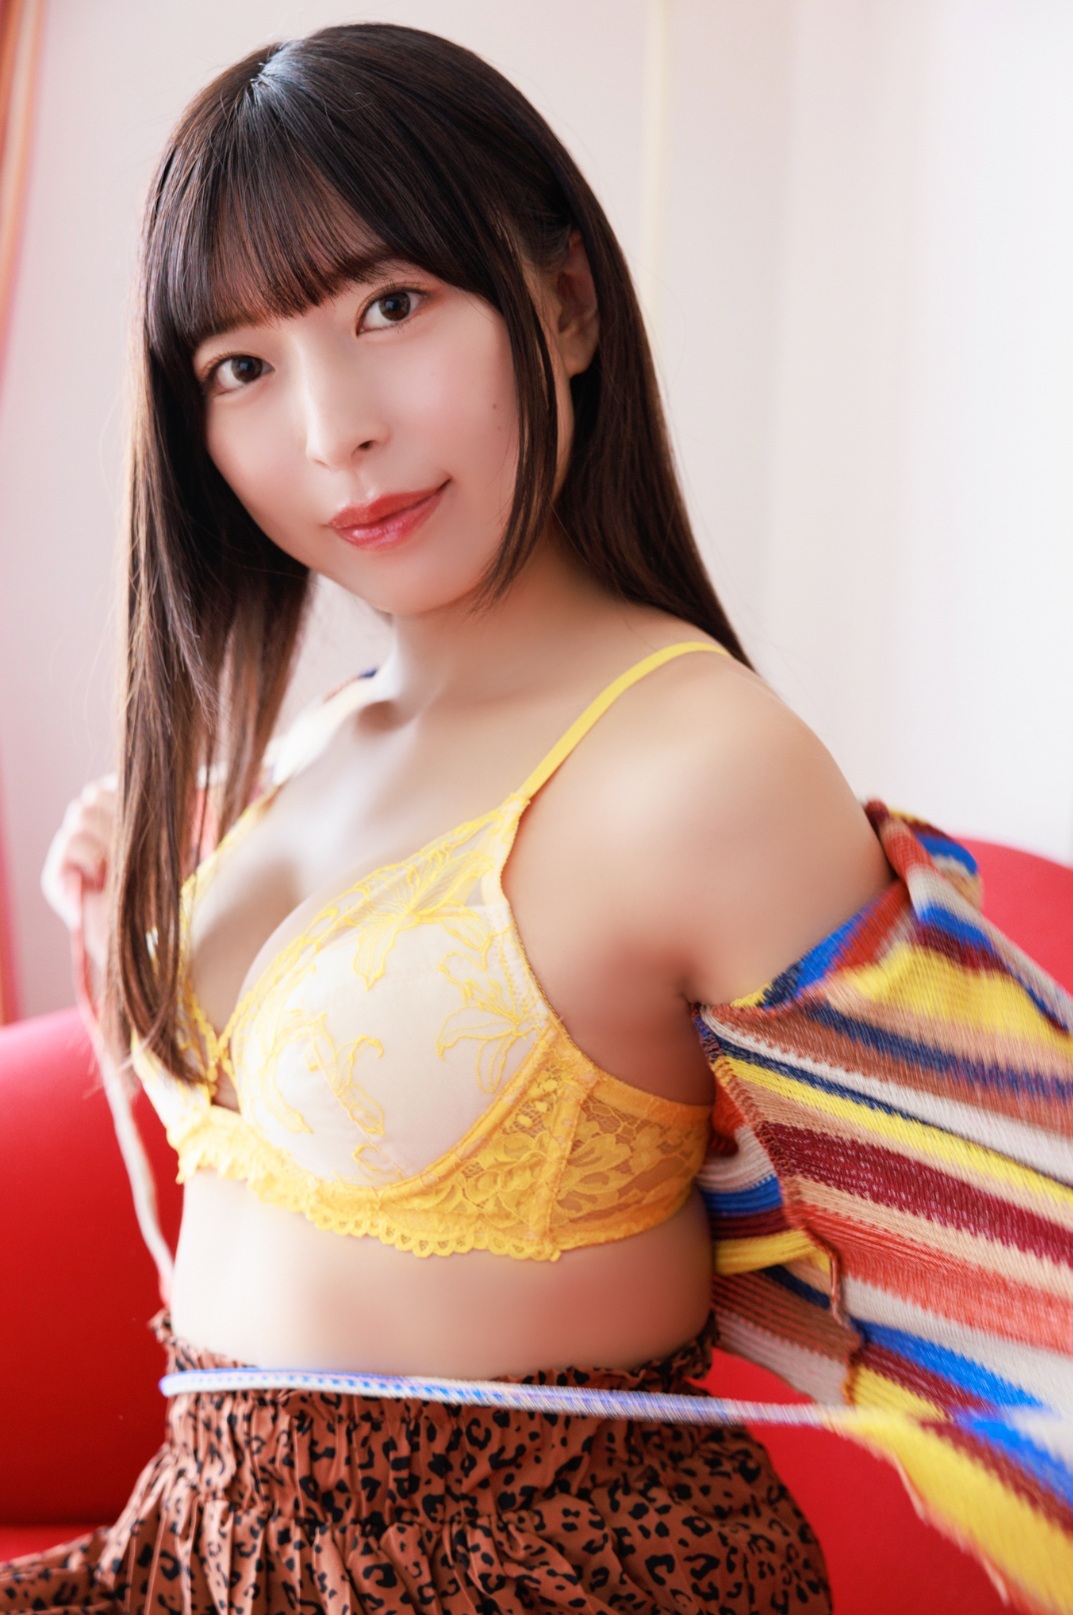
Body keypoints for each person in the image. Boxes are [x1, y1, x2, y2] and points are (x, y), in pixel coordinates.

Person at [5, 20, 1071, 1615]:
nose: (332, 430)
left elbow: (1018, 1258)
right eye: (242, 366)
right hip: (201, 1547)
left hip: (522, 1571)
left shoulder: (694, 764)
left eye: (390, 306)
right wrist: (129, 924)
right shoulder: (323, 740)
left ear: (563, 303)